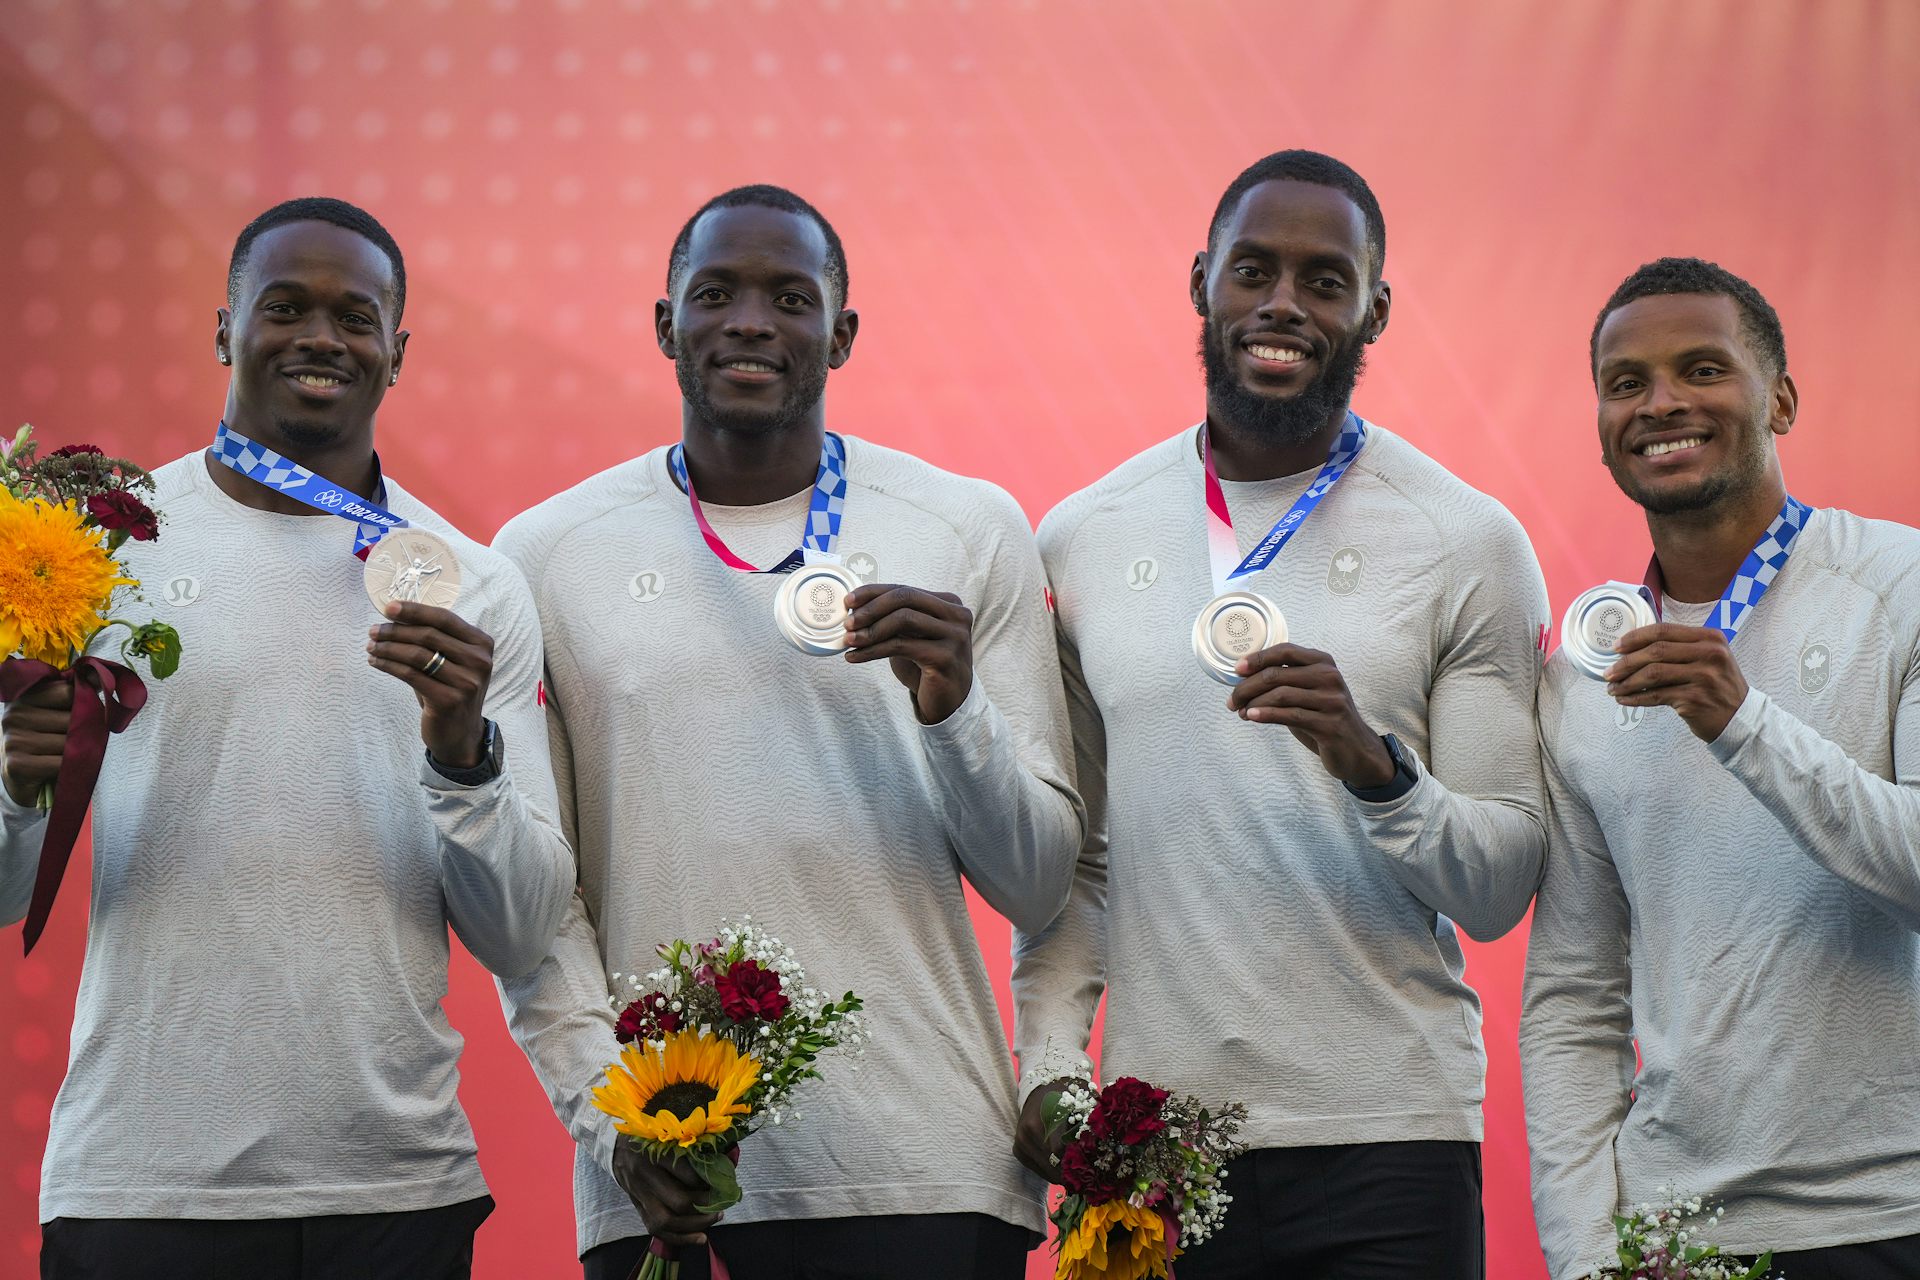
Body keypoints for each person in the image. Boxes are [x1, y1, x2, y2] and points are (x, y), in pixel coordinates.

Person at [492, 184, 1083, 1280]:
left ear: (842, 334)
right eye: (714, 294)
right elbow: (535, 899)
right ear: (666, 324)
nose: (751, 321)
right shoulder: (543, 553)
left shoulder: (966, 527)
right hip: (672, 1181)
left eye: (790, 298)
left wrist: (955, 711)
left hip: (928, 1170)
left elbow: (1042, 881)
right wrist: (606, 1115)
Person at [0, 197, 573, 1280]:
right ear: (224, 330)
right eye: (284, 307)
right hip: (141, 1178)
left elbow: (523, 928)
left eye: (355, 316)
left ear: (396, 353)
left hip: (397, 1183)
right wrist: (16, 787)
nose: (321, 335)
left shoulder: (476, 585)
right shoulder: (92, 555)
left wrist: (463, 756)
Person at [1010, 150, 1549, 1278]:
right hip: (1163, 1141)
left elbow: (1499, 884)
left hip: (1392, 1133)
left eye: (1324, 279)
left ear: (1375, 308)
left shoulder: (1467, 539)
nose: (1283, 304)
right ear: (1202, 280)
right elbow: (1078, 863)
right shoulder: (1084, 533)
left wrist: (1374, 764)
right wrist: (1055, 1066)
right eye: (1253, 269)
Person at [1522, 257, 1920, 1280]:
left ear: (1780, 397)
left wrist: (1744, 722)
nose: (1662, 403)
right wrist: (1581, 1253)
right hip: (1677, 1230)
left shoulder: (1900, 584)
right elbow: (1575, 994)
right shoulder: (1582, 669)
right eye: (1627, 382)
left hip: (1890, 1208)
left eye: (1702, 368)